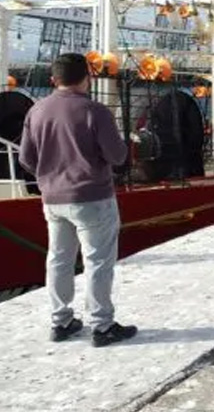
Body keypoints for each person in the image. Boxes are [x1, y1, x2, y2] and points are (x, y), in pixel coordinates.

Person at [19, 53, 137, 347]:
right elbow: (117, 156)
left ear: (53, 80)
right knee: (97, 261)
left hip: (52, 199)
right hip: (92, 197)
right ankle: (102, 326)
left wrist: (50, 176)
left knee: (58, 259)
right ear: (88, 77)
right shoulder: (94, 111)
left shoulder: (36, 111)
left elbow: (26, 159)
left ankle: (61, 321)